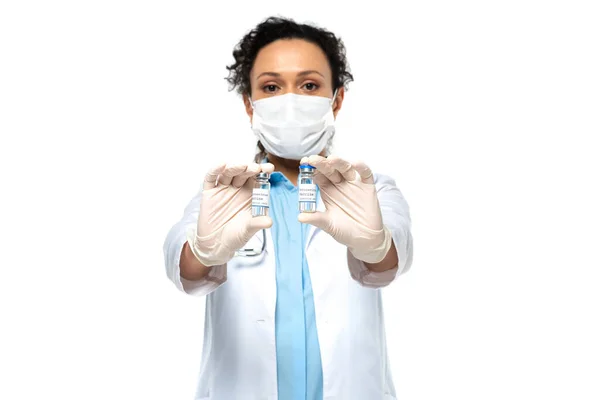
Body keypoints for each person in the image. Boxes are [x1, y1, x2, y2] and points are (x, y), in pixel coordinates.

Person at [163, 16, 414, 400]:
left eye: (309, 85)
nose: (290, 101)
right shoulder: (223, 194)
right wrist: (200, 251)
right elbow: (185, 270)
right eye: (271, 87)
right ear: (250, 104)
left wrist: (376, 246)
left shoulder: (370, 189)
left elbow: (390, 262)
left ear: (337, 98)